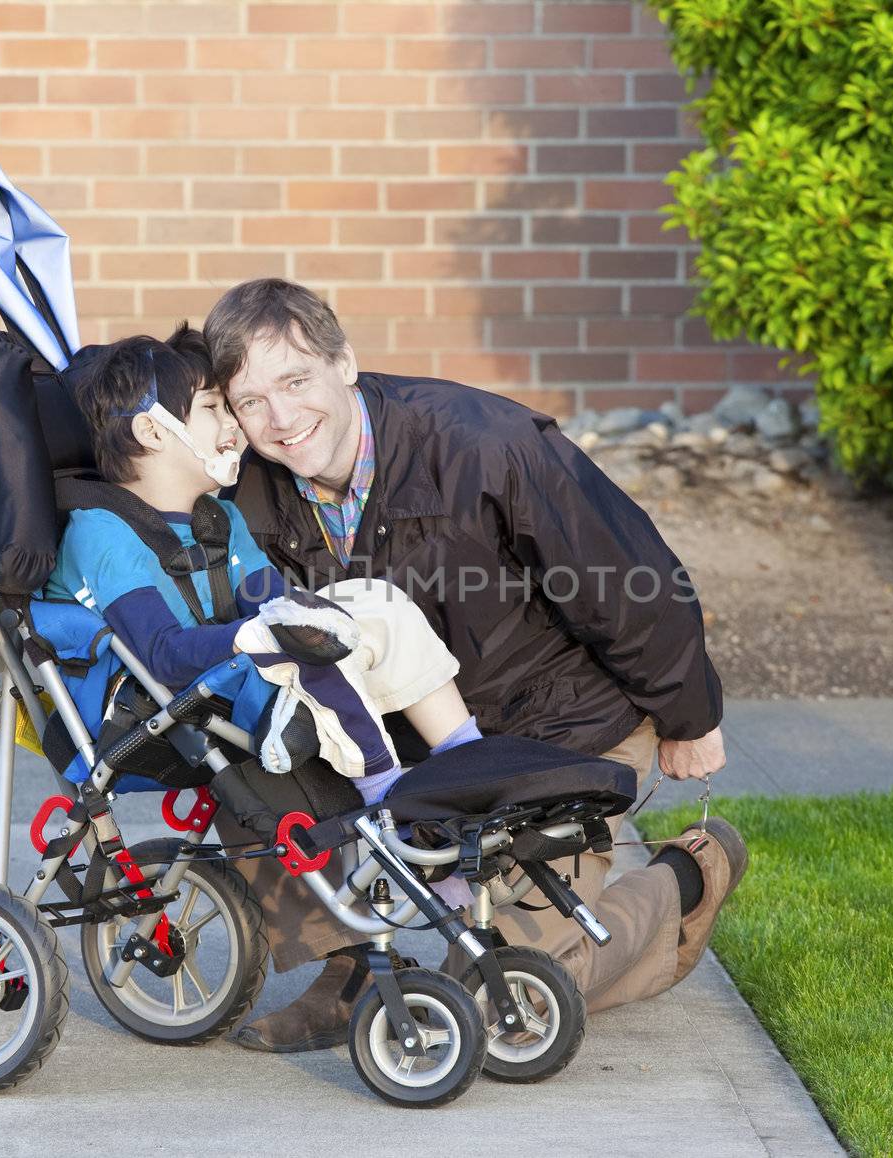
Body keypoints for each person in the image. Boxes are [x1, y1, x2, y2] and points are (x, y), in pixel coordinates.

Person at [173, 279, 748, 1054]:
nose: (280, 419)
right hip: (402, 744)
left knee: (500, 996)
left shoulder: (486, 445)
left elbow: (630, 577)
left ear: (344, 363)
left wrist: (688, 714)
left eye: (296, 380)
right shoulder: (245, 489)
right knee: (245, 763)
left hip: (560, 731)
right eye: (250, 401)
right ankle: (351, 971)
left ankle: (683, 879)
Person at [44, 334, 486, 820]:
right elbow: (163, 655)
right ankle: (395, 812)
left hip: (224, 679)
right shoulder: (102, 534)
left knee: (374, 603)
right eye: (213, 407)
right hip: (150, 715)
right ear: (153, 431)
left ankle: (471, 766)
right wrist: (257, 635)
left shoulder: (217, 520)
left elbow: (269, 598)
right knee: (305, 646)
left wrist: (301, 619)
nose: (234, 424)